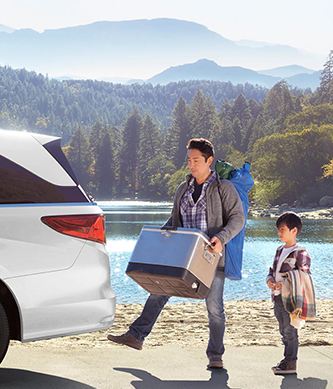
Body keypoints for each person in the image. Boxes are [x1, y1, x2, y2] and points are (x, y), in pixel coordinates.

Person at [107, 138, 246, 369]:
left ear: (209, 161)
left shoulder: (224, 189)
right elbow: (174, 222)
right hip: (183, 257)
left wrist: (221, 239)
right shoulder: (182, 189)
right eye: (189, 160)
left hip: (211, 260)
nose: (191, 165)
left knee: (214, 308)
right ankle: (136, 336)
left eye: (196, 160)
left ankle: (215, 355)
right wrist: (158, 238)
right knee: (158, 291)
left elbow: (238, 219)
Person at [265, 212, 310, 375]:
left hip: (290, 299)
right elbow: (273, 270)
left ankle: (291, 362)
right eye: (278, 229)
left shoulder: (300, 252)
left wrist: (285, 282)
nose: (279, 233)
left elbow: (304, 274)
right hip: (277, 297)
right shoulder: (279, 250)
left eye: (283, 229)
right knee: (283, 330)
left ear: (294, 231)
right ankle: (286, 360)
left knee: (290, 330)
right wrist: (269, 280)